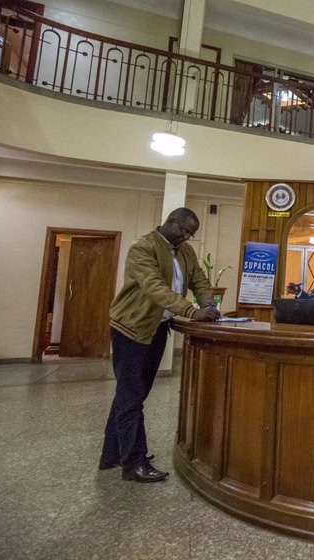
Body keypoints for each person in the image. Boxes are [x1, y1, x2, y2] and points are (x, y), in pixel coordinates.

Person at [100, 207, 221, 483]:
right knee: (131, 396)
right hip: (131, 329)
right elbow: (154, 287)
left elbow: (199, 280)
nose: (186, 237)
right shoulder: (143, 247)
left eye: (191, 234)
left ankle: (112, 454)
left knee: (132, 395)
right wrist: (191, 311)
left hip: (156, 330)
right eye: (184, 230)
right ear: (171, 221)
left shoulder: (185, 252)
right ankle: (134, 463)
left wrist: (209, 304)